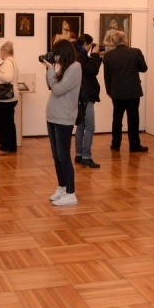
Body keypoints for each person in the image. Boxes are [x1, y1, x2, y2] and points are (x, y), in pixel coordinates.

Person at [42, 39, 82, 206]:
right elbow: (51, 86)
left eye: (56, 53)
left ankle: (71, 193)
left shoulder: (75, 67)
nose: (55, 57)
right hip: (53, 116)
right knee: (56, 156)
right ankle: (63, 187)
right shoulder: (63, 68)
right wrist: (50, 70)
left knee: (64, 156)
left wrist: (51, 68)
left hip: (64, 117)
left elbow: (58, 89)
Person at [103, 31, 149, 152]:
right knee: (133, 119)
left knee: (117, 119)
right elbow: (144, 68)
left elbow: (106, 76)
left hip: (116, 91)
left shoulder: (108, 55)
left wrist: (109, 90)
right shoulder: (135, 52)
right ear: (125, 40)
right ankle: (134, 145)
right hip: (132, 91)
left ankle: (115, 144)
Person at [74, 34, 102, 168]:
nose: (91, 48)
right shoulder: (81, 56)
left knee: (81, 125)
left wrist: (95, 57)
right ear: (86, 44)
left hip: (81, 95)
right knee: (90, 126)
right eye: (90, 45)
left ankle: (79, 154)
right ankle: (86, 156)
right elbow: (93, 70)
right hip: (86, 95)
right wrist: (96, 55)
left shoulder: (77, 55)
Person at [0, 41, 19, 155]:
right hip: (11, 97)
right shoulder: (13, 61)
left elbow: (7, 78)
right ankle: (12, 146)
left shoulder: (7, 62)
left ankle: (4, 147)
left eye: (0, 51)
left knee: (4, 123)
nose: (0, 53)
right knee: (9, 122)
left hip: (6, 98)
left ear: (4, 51)